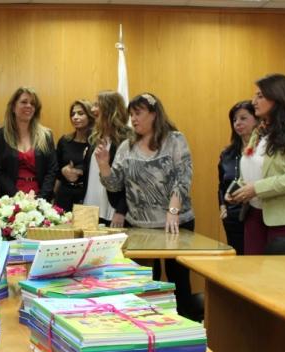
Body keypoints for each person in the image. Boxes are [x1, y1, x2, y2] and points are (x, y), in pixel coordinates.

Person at [95, 93, 195, 319]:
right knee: (144, 282)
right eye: (131, 114)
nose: (133, 119)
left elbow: (183, 177)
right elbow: (115, 185)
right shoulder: (126, 146)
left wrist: (173, 210)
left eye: (138, 113)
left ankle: (185, 324)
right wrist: (104, 166)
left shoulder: (175, 140)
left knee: (178, 279)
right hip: (140, 226)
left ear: (154, 114)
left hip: (175, 224)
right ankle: (148, 325)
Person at [228, 73, 285, 254]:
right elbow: (253, 170)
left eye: (260, 96)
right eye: (255, 96)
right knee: (253, 269)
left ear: (278, 97)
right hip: (253, 213)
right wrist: (239, 190)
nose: (254, 101)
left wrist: (256, 189)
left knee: (275, 271)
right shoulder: (259, 131)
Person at [0, 87, 57, 201]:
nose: (29, 106)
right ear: (13, 107)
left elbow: (52, 170)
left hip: (40, 197)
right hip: (9, 198)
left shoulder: (46, 135)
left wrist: (41, 198)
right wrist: (18, 197)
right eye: (24, 102)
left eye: (33, 104)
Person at [83, 90, 131, 226]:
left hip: (113, 211)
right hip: (90, 209)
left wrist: (121, 210)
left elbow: (130, 181)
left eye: (97, 105)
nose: (92, 109)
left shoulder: (127, 139)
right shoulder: (94, 137)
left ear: (110, 109)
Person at [217, 101, 258, 255]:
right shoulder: (227, 154)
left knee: (256, 261)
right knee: (237, 260)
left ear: (256, 120)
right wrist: (223, 207)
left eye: (243, 118)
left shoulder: (263, 151)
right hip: (233, 218)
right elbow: (222, 185)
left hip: (257, 214)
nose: (237, 123)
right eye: (234, 120)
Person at [54, 99, 94, 212]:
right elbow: (56, 169)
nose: (75, 117)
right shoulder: (64, 141)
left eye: (80, 113)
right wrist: (63, 171)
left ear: (90, 116)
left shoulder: (95, 142)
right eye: (73, 114)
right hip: (64, 194)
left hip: (86, 195)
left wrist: (80, 171)